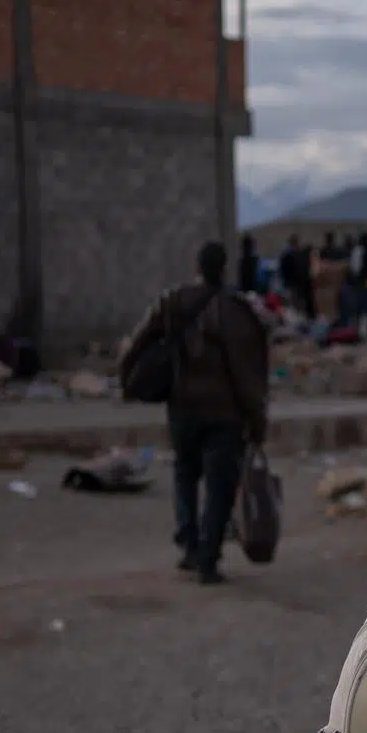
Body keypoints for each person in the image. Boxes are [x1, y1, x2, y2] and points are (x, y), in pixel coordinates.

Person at [120, 242, 270, 585]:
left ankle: (189, 546)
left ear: (197, 266)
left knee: (185, 475)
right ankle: (208, 557)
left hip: (183, 408)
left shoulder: (173, 301)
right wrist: (257, 420)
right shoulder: (236, 311)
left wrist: (127, 381)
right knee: (219, 486)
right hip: (225, 415)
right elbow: (247, 375)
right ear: (224, 267)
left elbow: (137, 343)